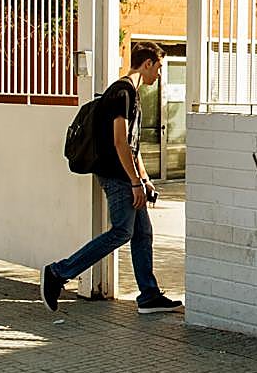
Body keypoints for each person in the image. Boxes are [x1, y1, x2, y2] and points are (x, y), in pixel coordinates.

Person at [40, 42, 183, 314]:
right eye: (159, 67)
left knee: (143, 233)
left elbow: (132, 144)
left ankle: (149, 296)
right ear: (147, 63)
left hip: (126, 175)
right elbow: (120, 142)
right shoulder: (122, 92)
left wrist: (144, 179)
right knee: (122, 231)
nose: (159, 75)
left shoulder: (131, 94)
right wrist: (134, 182)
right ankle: (58, 272)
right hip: (117, 176)